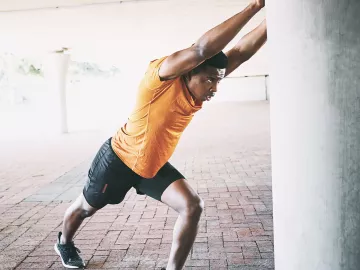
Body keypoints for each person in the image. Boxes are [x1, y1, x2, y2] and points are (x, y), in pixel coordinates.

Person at [54, 0, 267, 269]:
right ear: (190, 72)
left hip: (151, 167)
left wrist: (277, 15)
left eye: (218, 80)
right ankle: (64, 241)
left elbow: (241, 52)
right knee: (84, 208)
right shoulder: (159, 79)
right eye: (210, 80)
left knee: (192, 206)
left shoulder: (199, 86)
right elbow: (201, 49)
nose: (214, 88)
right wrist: (255, 6)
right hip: (118, 159)